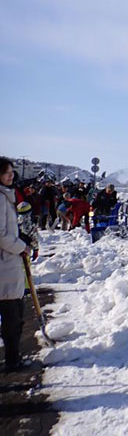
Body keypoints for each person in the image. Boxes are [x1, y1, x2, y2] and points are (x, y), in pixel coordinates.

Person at [0, 157, 32, 372]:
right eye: (5, 173)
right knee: (13, 318)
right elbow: (1, 235)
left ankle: (13, 358)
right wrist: (21, 246)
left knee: (14, 316)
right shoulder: (1, 198)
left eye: (12, 172)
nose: (10, 176)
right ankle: (12, 361)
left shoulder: (7, 196)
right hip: (5, 267)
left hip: (8, 265)